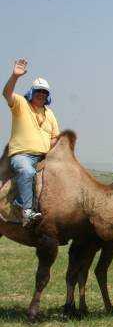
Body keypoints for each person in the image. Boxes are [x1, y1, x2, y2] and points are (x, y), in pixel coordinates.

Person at [2, 58, 59, 227]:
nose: (41, 94)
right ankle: (25, 210)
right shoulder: (21, 104)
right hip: (22, 155)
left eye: (44, 92)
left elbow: (55, 136)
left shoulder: (49, 113)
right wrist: (15, 76)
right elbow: (6, 94)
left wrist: (49, 150)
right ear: (32, 92)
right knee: (27, 172)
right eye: (38, 91)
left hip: (43, 158)